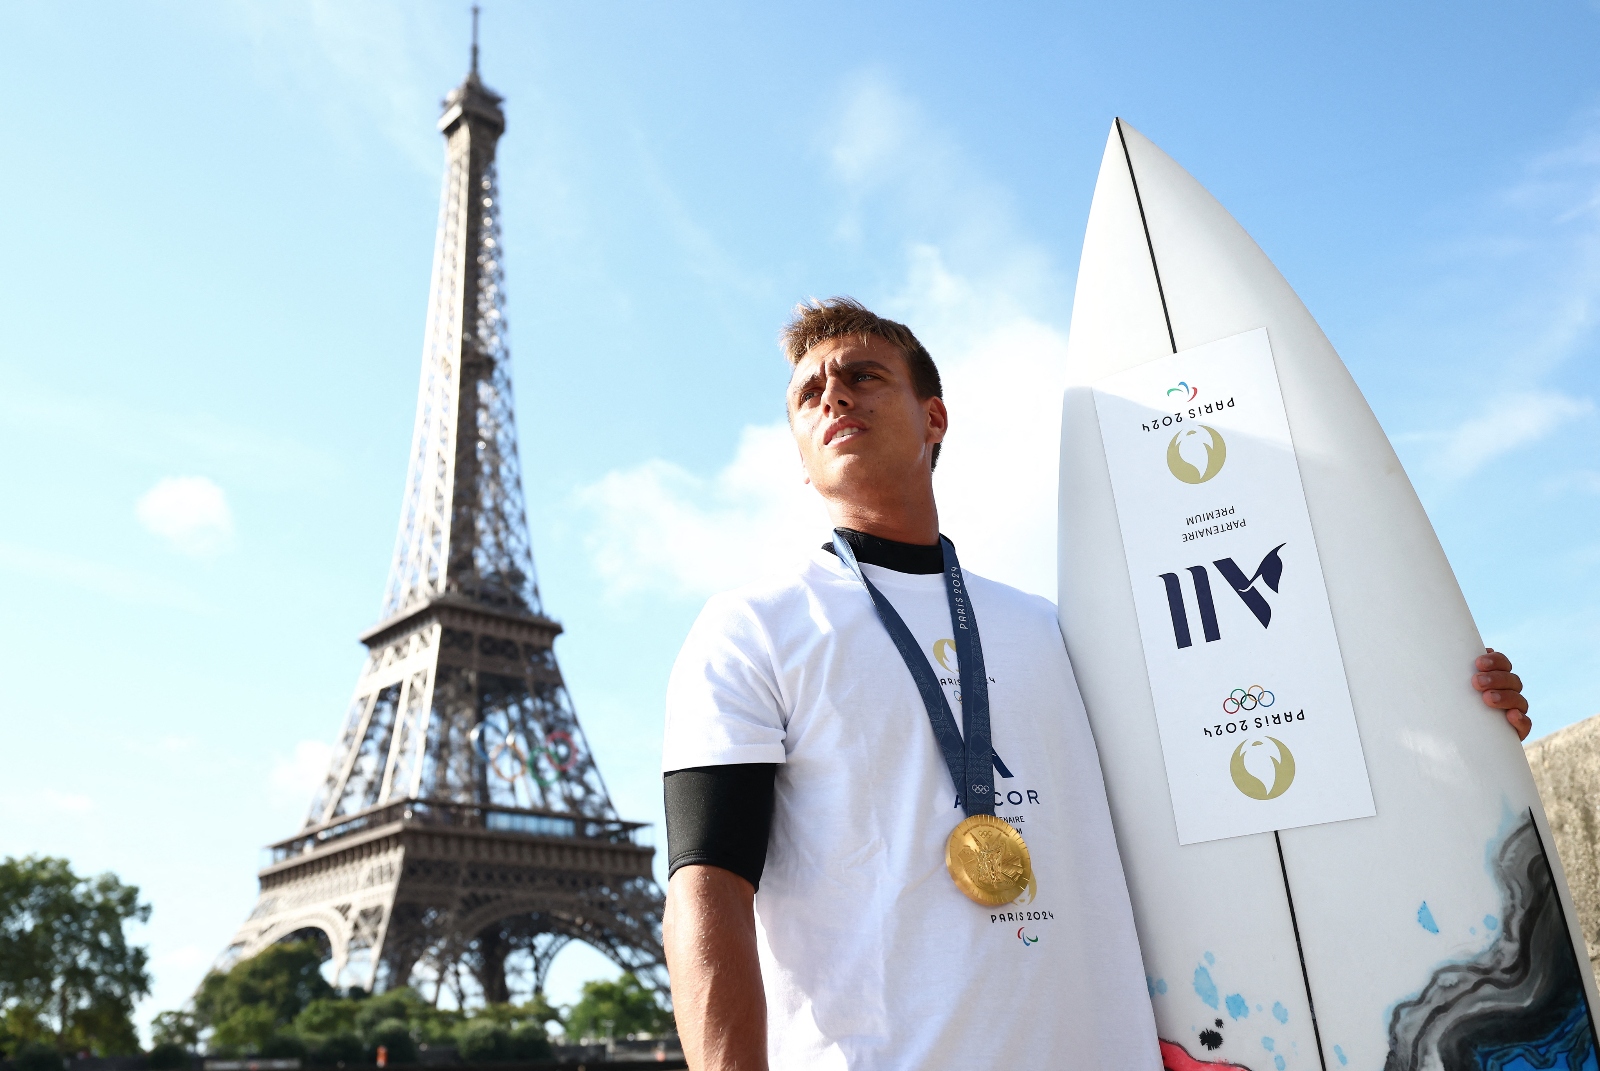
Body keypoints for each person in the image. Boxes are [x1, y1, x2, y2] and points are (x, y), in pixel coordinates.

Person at [659, 298, 1531, 1071]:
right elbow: (708, 886)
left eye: (861, 376)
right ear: (800, 459)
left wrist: (1446, 706)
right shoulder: (752, 626)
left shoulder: (1055, 626)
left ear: (935, 418)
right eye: (810, 395)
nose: (834, 397)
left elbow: (1248, 713)